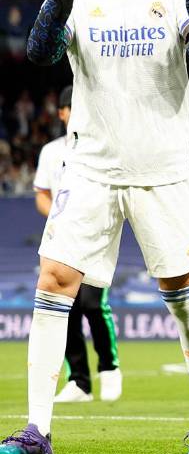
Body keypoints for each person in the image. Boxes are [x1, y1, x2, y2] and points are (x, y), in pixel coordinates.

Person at [0, 0, 189, 454]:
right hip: (91, 170)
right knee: (54, 281)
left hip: (163, 171)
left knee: (181, 296)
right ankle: (36, 429)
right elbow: (39, 53)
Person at [33, 84, 122, 404]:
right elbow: (42, 195)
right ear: (61, 112)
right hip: (65, 235)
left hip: (96, 235)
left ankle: (109, 368)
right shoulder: (52, 152)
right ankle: (79, 381)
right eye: (73, 107)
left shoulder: (102, 147)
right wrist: (58, 214)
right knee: (64, 305)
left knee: (92, 303)